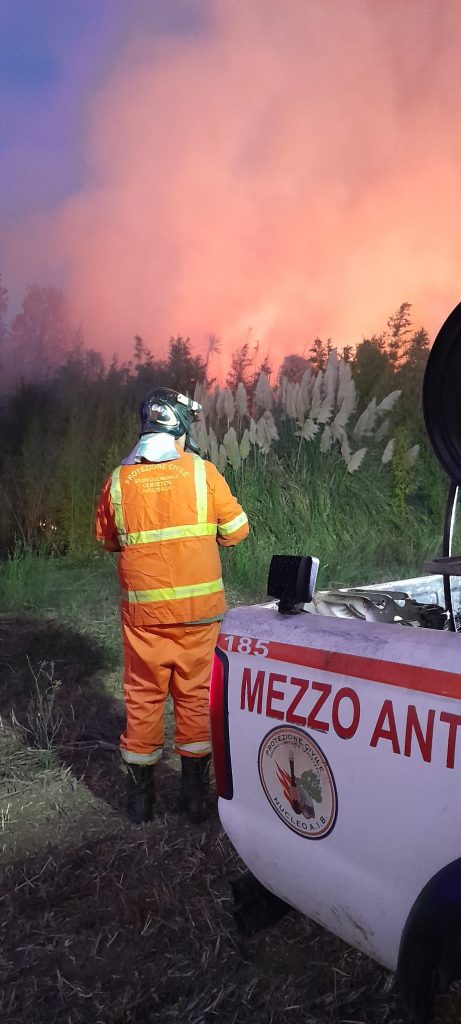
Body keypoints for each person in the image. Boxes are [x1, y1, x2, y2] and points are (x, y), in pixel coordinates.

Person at [95, 387, 249, 825]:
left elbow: (107, 540)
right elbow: (237, 531)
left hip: (145, 621)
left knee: (143, 700)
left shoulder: (118, 481)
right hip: (199, 617)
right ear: (180, 426)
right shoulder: (203, 473)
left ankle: (140, 802)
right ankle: (194, 798)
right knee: (196, 698)